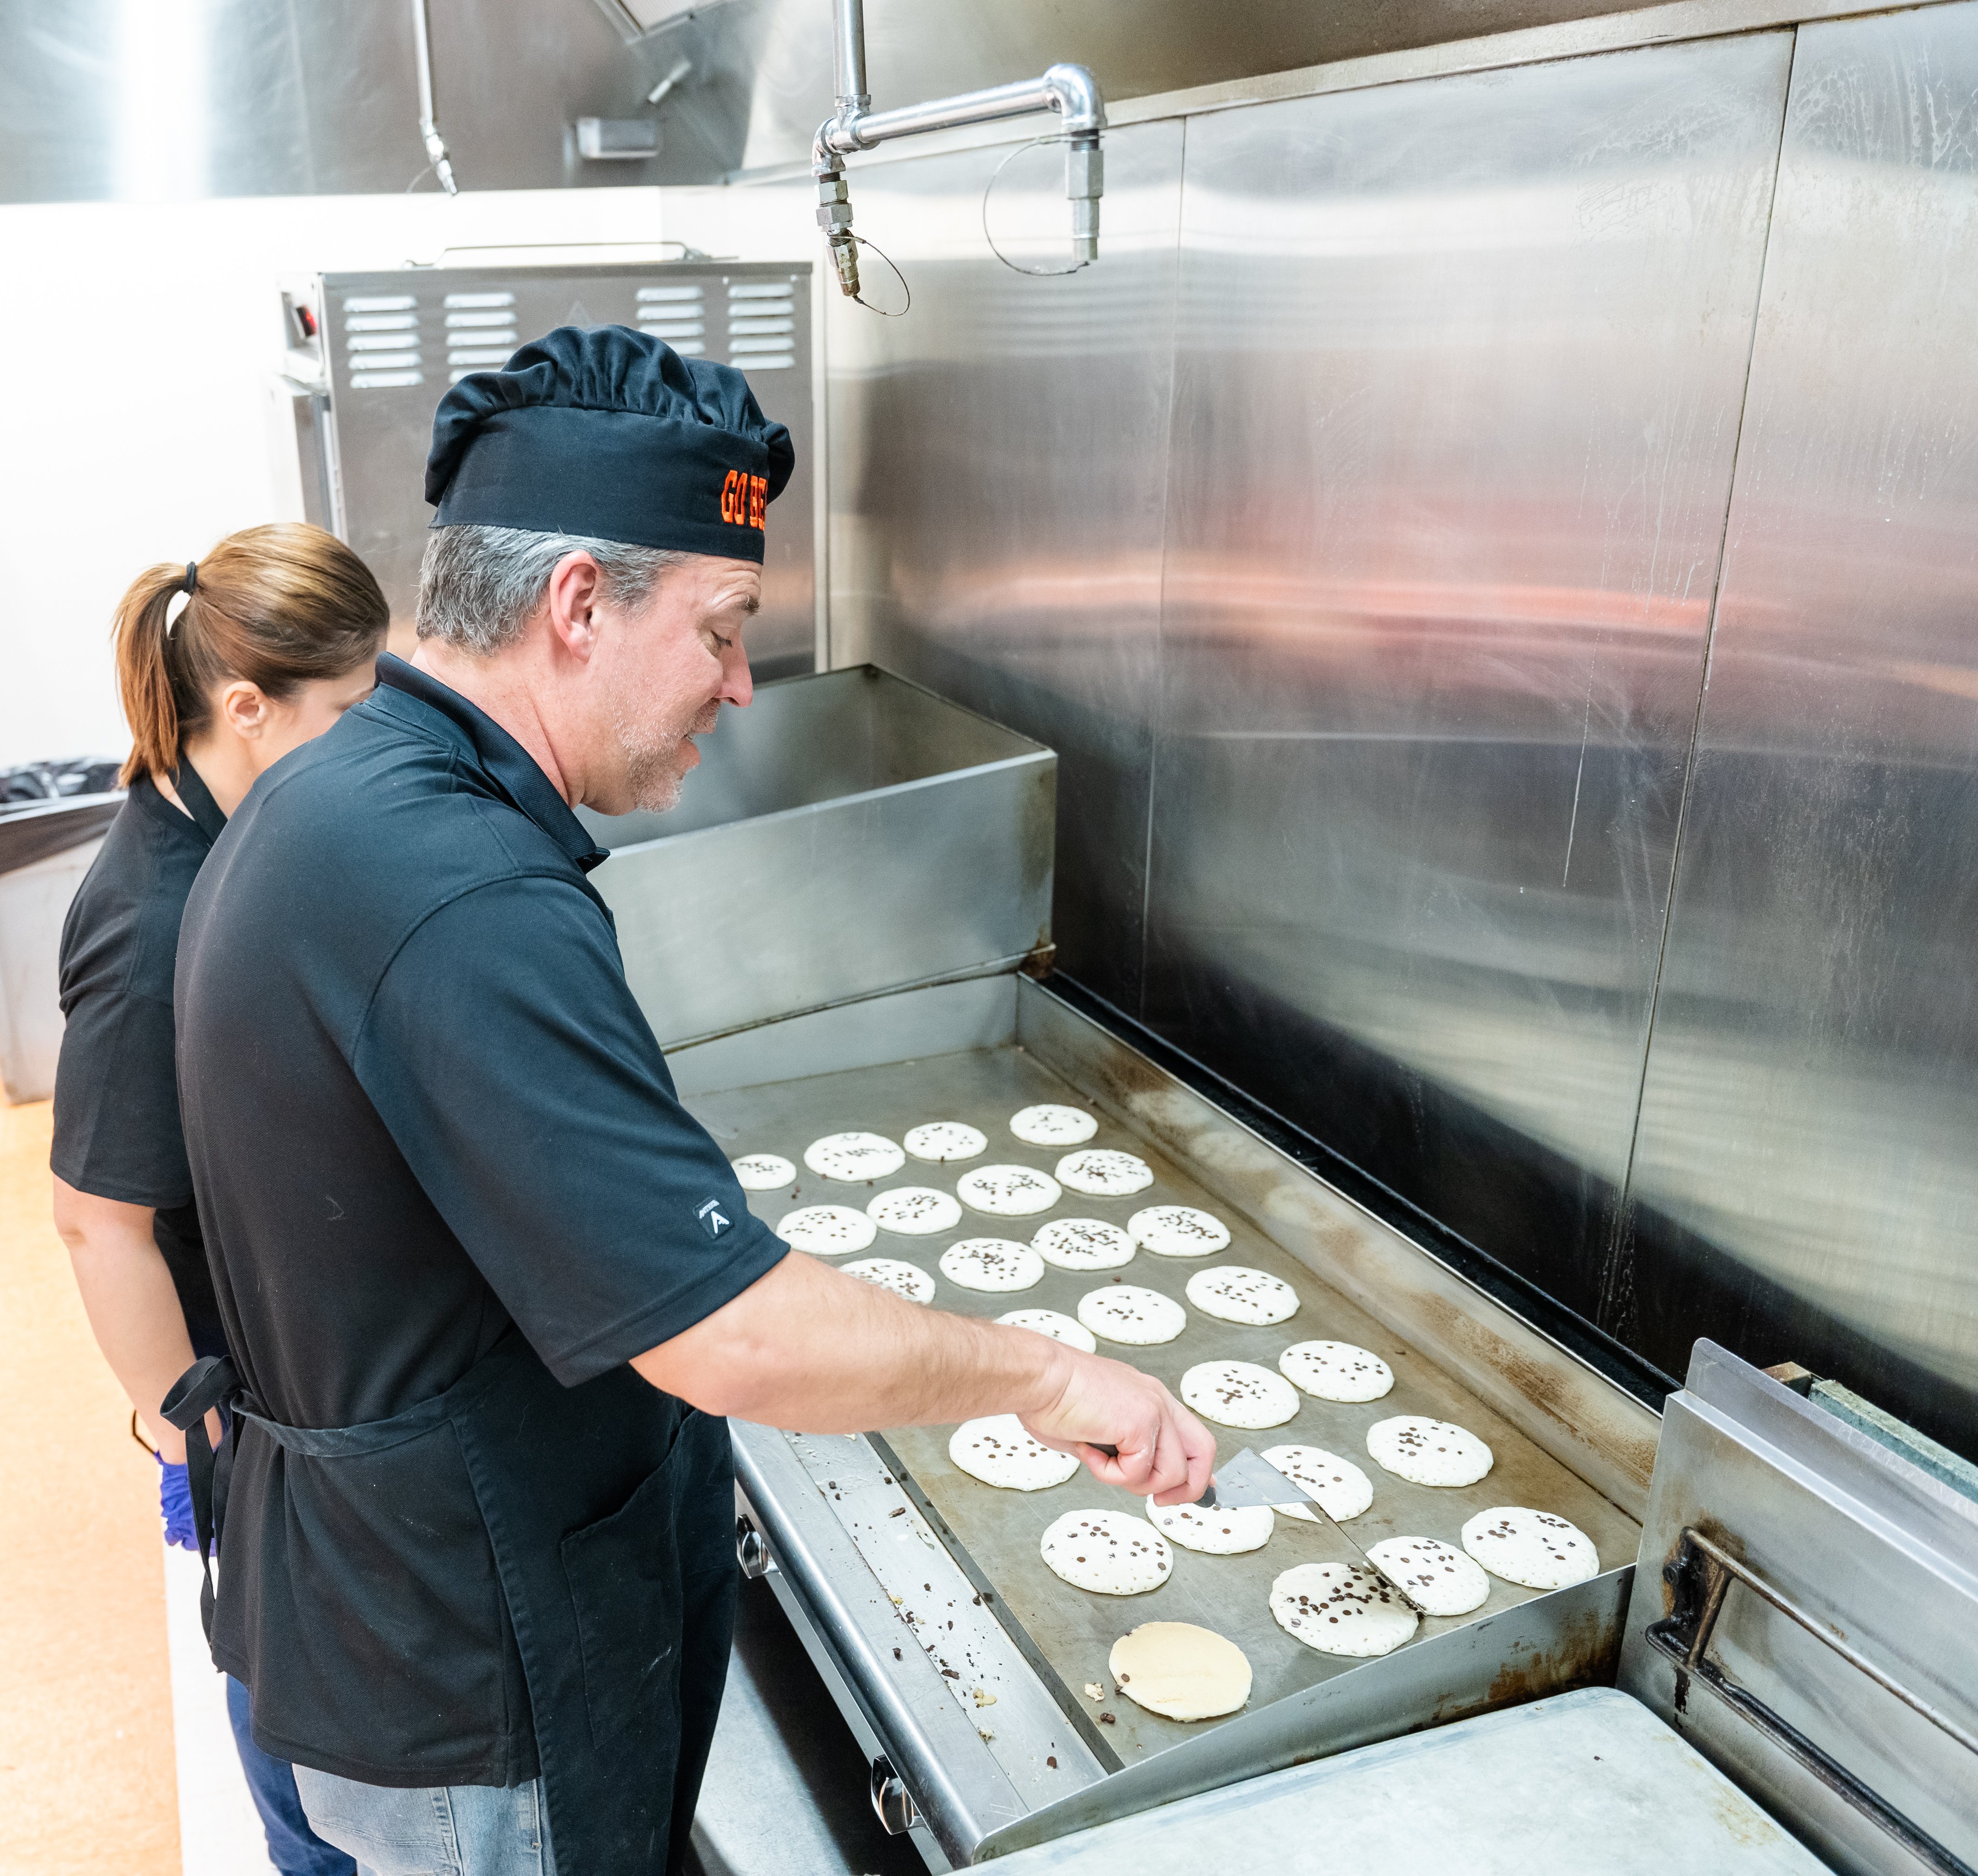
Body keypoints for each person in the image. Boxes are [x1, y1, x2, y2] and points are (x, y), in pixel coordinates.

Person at [170, 325, 1215, 1876]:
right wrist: (1052, 1379)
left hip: (419, 1604)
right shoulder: (450, 888)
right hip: (470, 1675)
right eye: (724, 627)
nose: (738, 684)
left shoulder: (345, 789)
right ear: (579, 604)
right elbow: (734, 1335)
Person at [48, 525, 383, 1876]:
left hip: (287, 1354)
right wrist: (187, 1428)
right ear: (248, 711)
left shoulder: (246, 830)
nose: (369, 747)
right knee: (294, 1720)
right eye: (349, 717)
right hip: (239, 1405)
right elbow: (96, 1219)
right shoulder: (151, 924)